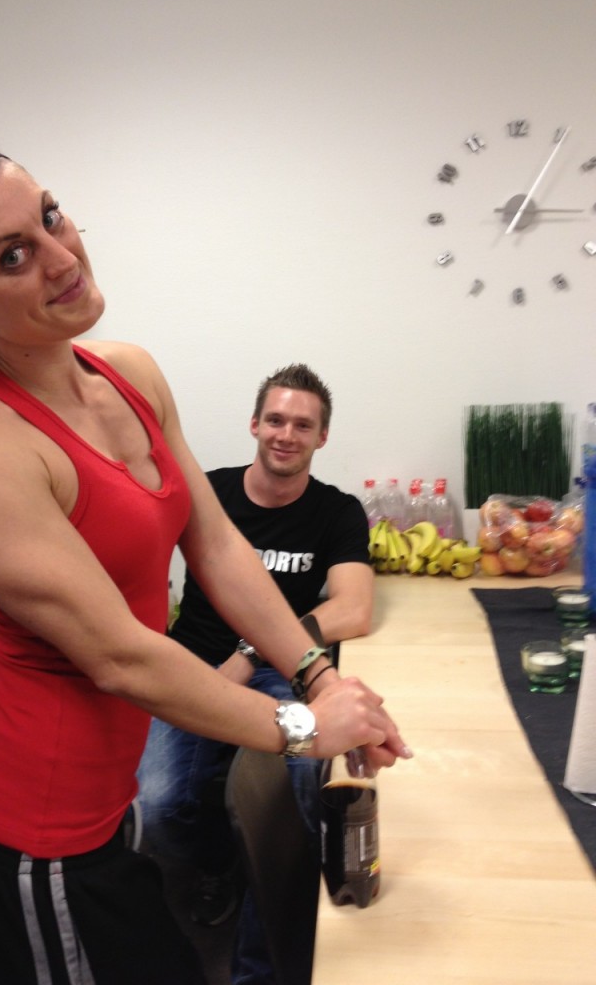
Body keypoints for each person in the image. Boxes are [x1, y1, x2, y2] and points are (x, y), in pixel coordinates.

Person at [0, 121, 410, 985]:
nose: (62, 257)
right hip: (28, 842)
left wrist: (318, 677)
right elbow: (119, 656)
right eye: (13, 255)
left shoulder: (128, 371)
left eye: (50, 216)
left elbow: (217, 542)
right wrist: (303, 729)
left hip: (103, 811)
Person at [137, 363, 373, 982]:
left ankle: (273, 914)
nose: (286, 434)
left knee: (296, 793)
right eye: (275, 419)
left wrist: (252, 653)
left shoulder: (337, 512)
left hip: (284, 673)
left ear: (322, 436)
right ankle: (223, 865)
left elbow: (353, 609)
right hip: (193, 665)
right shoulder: (207, 493)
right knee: (160, 806)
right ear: (254, 424)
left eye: (303, 425)